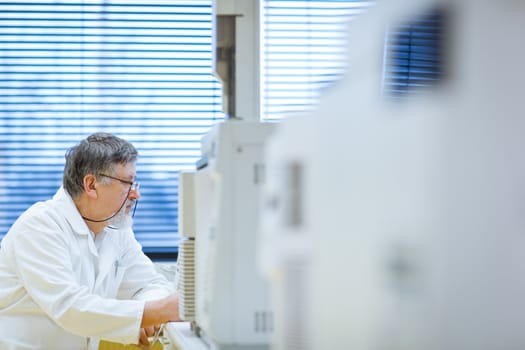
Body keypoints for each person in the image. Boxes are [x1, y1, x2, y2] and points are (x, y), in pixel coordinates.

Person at [0, 132, 180, 349]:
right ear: (91, 185)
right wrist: (155, 311)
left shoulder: (115, 229)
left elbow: (151, 283)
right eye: (127, 183)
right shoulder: (39, 226)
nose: (135, 194)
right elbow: (69, 307)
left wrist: (145, 314)